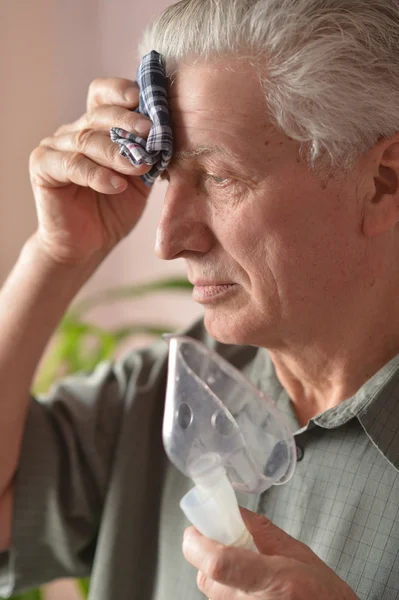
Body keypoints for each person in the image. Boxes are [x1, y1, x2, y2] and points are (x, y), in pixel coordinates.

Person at [0, 0, 398, 598]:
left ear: (382, 182)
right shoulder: (162, 398)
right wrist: (56, 255)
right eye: (163, 178)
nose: (167, 241)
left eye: (219, 178)